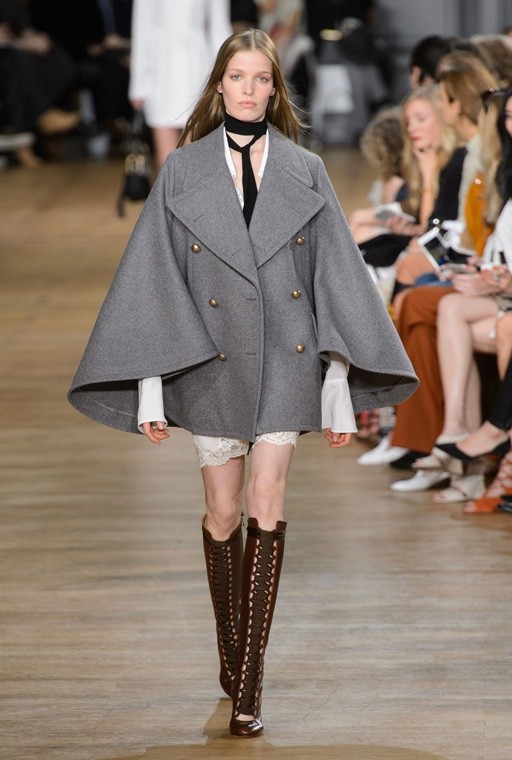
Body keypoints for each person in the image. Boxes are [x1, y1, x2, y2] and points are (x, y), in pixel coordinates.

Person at [68, 29, 417, 737]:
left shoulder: (306, 170)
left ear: (275, 89)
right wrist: (150, 391)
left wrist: (337, 387)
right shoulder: (182, 170)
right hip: (210, 360)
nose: (250, 90)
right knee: (222, 514)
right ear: (219, 86)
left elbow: (335, 278)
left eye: (262, 78)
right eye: (238, 77)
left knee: (266, 502)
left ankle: (250, 684)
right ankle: (233, 657)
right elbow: (154, 282)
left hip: (287, 355)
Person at [129, 0, 232, 168]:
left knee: (197, 158)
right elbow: (142, 28)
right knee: (167, 163)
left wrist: (227, 75)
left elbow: (219, 28)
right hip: (160, 71)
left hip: (199, 68)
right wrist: (139, 85)